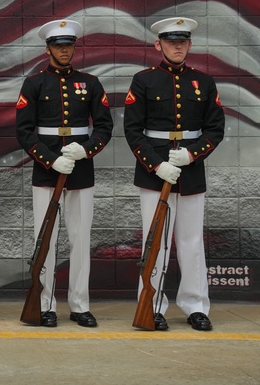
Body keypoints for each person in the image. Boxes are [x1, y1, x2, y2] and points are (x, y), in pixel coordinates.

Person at [124, 17, 224, 331]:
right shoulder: (143, 80)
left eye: (182, 40)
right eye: (170, 41)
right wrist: (156, 164)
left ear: (190, 44)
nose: (177, 46)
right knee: (156, 241)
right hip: (155, 171)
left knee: (191, 241)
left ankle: (195, 306)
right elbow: (132, 130)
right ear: (159, 45)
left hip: (191, 171)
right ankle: (152, 305)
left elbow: (215, 129)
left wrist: (192, 153)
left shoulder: (204, 82)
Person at [15, 19, 113, 328]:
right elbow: (24, 131)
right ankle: (44, 304)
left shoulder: (90, 82)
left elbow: (105, 126)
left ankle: (79, 304)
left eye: (68, 45)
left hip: (81, 169)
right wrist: (49, 159)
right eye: (58, 45)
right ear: (48, 49)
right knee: (45, 239)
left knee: (80, 239)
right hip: (47, 170)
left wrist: (85, 149)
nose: (64, 50)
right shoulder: (34, 83)